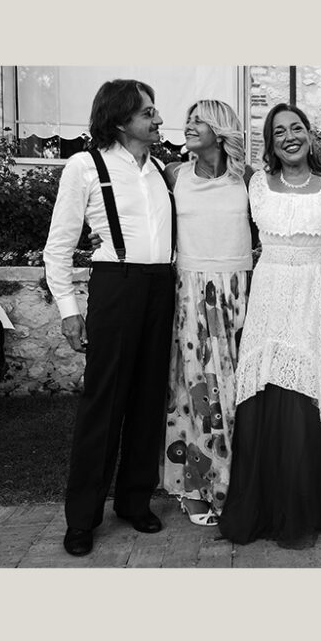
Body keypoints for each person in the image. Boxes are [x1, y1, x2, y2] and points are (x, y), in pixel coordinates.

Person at [91, 101, 254, 527]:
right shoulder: (173, 174)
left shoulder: (248, 178)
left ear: (220, 129)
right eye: (189, 120)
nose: (188, 126)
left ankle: (236, 482)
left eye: (199, 120)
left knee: (235, 393)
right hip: (189, 292)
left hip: (237, 294)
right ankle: (195, 489)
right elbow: (141, 216)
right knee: (195, 392)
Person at [43, 79, 175, 556]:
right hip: (116, 285)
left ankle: (134, 501)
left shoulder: (160, 169)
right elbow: (58, 246)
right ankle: (82, 518)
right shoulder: (85, 166)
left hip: (162, 286)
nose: (158, 119)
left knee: (148, 400)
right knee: (104, 404)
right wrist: (69, 310)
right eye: (148, 112)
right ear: (120, 120)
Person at [217, 103, 321, 548]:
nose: (289, 137)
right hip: (270, 292)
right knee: (265, 391)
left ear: (309, 134)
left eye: (296, 128)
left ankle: (305, 505)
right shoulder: (256, 184)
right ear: (270, 143)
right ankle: (261, 504)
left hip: (313, 293)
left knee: (305, 395)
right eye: (279, 132)